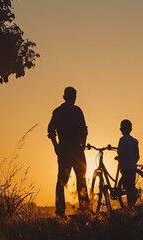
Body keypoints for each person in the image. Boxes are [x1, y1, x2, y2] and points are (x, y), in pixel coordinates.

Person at [47, 87, 90, 216]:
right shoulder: (77, 111)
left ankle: (60, 211)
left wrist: (56, 146)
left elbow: (50, 130)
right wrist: (82, 144)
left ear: (64, 97)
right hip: (76, 150)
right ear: (73, 97)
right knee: (81, 180)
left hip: (64, 150)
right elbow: (84, 130)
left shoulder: (58, 111)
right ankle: (84, 209)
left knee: (61, 181)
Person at [117, 119, 140, 207]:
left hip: (125, 166)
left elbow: (120, 151)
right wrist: (133, 161)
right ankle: (131, 204)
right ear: (131, 129)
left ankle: (130, 205)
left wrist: (120, 158)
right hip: (133, 166)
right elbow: (137, 155)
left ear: (121, 129)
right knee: (131, 185)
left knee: (127, 185)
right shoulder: (135, 141)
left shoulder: (122, 140)